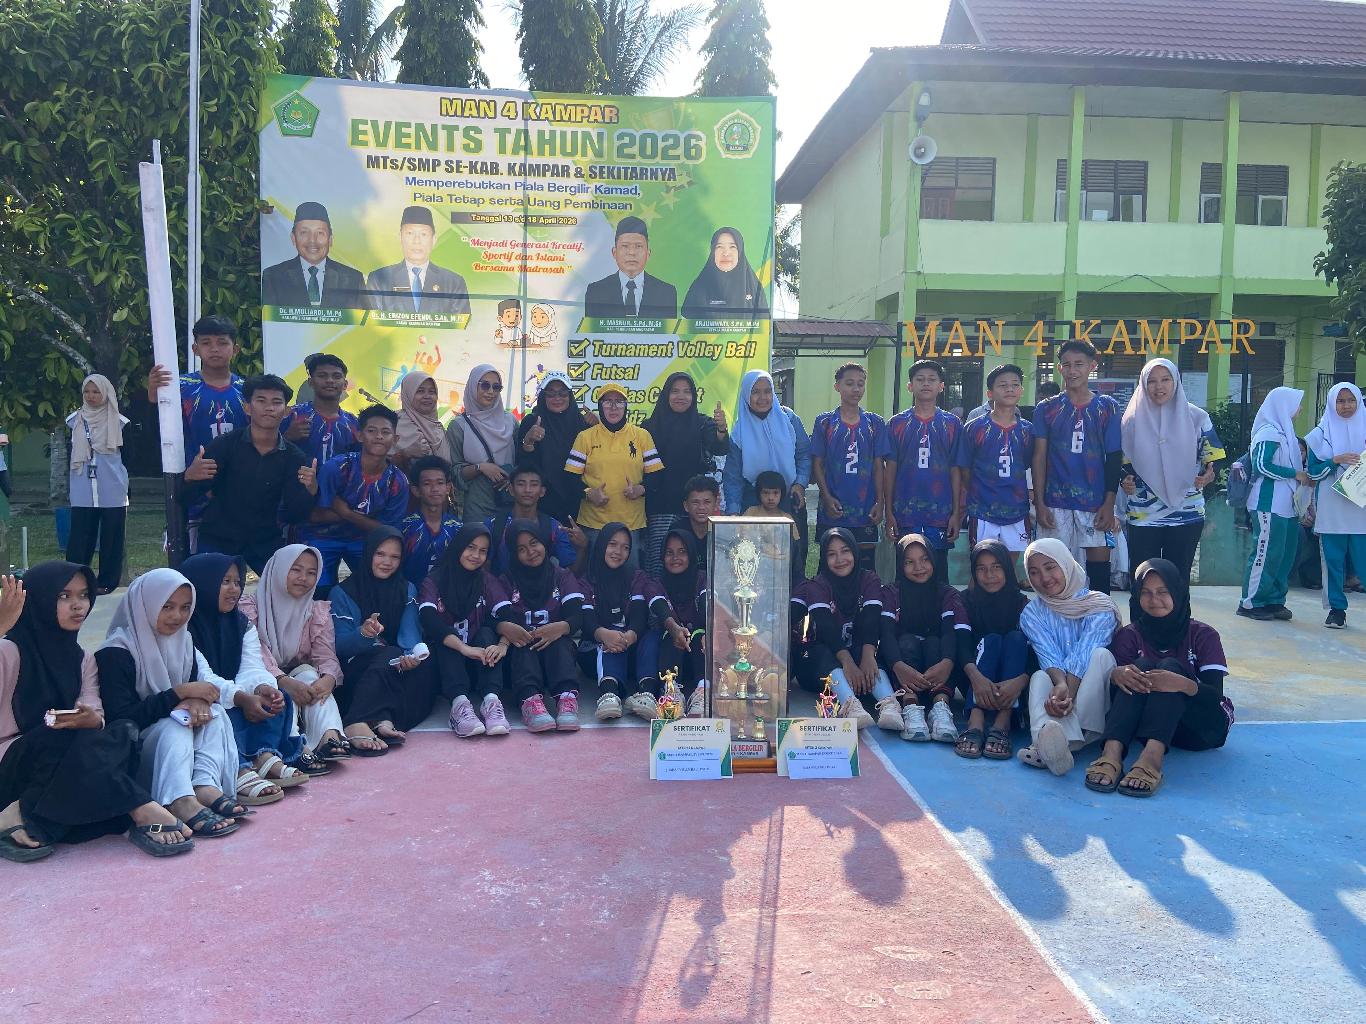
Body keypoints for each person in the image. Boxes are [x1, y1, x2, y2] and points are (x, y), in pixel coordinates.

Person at [0, 565, 194, 861]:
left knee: (122, 732)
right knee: (64, 739)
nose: (78, 605)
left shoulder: (82, 659)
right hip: (11, 761)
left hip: (62, 764)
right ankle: (140, 808)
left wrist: (91, 719)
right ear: (38, 599)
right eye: (64, 596)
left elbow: (95, 711)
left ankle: (20, 811)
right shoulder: (8, 650)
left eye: (84, 595)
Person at [96, 569, 243, 840]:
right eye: (167, 607)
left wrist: (196, 700)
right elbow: (120, 720)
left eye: (185, 607)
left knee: (215, 714)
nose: (177, 616)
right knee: (175, 726)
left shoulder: (183, 643)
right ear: (145, 605)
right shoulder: (115, 652)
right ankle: (178, 800)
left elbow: (192, 693)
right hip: (135, 757)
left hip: (176, 751)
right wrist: (179, 694)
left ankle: (203, 785)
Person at [1084, 558, 1233, 797]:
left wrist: (1183, 684)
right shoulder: (1130, 635)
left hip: (1199, 728)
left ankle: (1152, 760)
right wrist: (1116, 674)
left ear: (1177, 592)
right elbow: (1120, 698)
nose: (1154, 600)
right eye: (1146, 592)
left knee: (1171, 668)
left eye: (1163, 592)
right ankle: (1111, 753)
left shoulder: (1203, 635)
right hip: (1146, 726)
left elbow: (1214, 697)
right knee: (1138, 667)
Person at [181, 554, 313, 805]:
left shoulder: (240, 623)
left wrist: (262, 688)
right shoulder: (185, 628)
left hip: (233, 691)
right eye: (225, 582)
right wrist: (241, 698)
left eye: (237, 582)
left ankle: (263, 755)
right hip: (203, 697)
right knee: (221, 710)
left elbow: (251, 666)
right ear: (203, 584)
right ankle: (239, 767)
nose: (234, 589)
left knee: (277, 697)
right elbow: (203, 676)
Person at [184, 374, 320, 572]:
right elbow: (187, 497)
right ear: (247, 407)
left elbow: (295, 514)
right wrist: (189, 477)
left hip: (265, 542)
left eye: (276, 402)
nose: (269, 408)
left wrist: (311, 491)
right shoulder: (224, 445)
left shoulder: (294, 457)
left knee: (284, 584)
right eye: (261, 401)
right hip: (219, 537)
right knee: (210, 586)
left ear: (286, 411)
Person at [330, 527, 439, 753]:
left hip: (394, 665)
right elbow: (339, 647)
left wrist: (411, 659)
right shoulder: (342, 592)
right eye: (380, 554)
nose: (387, 562)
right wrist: (363, 634)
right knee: (388, 653)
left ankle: (383, 719)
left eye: (395, 556)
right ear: (368, 553)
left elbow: (409, 636)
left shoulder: (406, 589)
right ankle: (356, 721)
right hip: (357, 670)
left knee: (427, 668)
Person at [1018, 539, 1120, 775]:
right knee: (1040, 677)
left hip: (1092, 700)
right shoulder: (1032, 612)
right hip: (1061, 689)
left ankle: (1055, 743)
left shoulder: (1099, 604)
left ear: (1066, 564)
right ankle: (1049, 743)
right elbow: (1047, 653)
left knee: (1100, 656)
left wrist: (1068, 690)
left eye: (1050, 567)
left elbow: (1087, 648)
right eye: (1034, 572)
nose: (1044, 578)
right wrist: (1060, 685)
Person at [238, 545, 350, 761]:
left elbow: (326, 655)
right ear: (278, 570)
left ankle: (328, 735)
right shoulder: (249, 608)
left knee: (310, 674)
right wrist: (283, 680)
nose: (303, 578)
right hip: (259, 678)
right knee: (276, 686)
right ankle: (293, 743)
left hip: (300, 679)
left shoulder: (316, 610)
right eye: (295, 570)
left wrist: (328, 679)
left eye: (311, 573)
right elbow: (256, 655)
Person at [1119, 358, 1224, 581]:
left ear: (1176, 381)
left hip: (1186, 511)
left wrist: (1209, 476)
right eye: (1152, 381)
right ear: (1143, 384)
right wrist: (1125, 481)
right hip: (1144, 513)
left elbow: (1214, 459)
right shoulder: (1131, 421)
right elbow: (1123, 465)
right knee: (1142, 577)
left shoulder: (1197, 417)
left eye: (1165, 379)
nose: (1159, 387)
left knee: (1178, 578)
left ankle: (1178, 608)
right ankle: (1141, 607)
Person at [1032, 340, 1123, 594]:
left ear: (1092, 366)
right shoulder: (1046, 408)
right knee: (1053, 570)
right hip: (1055, 502)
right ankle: (1056, 618)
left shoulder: (1107, 407)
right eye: (1067, 365)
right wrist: (1040, 503)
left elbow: (1114, 456)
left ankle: (1101, 618)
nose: (1072, 371)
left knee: (1099, 573)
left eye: (1079, 364)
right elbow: (1039, 457)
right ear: (1059, 368)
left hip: (1095, 503)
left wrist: (1109, 503)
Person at [792, 528, 898, 732]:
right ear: (824, 558)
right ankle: (850, 705)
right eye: (831, 554)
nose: (840, 559)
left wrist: (868, 656)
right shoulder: (816, 585)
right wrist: (848, 663)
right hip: (818, 666)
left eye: (845, 551)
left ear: (855, 553)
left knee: (867, 652)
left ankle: (889, 704)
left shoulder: (869, 579)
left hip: (858, 664)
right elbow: (826, 628)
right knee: (821, 651)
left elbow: (872, 620)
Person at [299, 404, 410, 591]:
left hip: (364, 541)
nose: (379, 436)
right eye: (372, 431)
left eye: (385, 432)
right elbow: (315, 516)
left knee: (379, 586)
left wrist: (347, 513)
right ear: (359, 435)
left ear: (395, 439)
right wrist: (368, 518)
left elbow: (389, 531)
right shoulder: (336, 468)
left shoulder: (398, 481)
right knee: (317, 589)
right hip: (321, 537)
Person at [494, 519, 587, 733]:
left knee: (561, 643)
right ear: (513, 553)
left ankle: (566, 699)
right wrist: (504, 627)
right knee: (522, 646)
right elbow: (495, 617)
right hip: (522, 652)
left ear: (544, 542)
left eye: (534, 543)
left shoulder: (561, 576)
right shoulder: (506, 580)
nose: (531, 552)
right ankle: (530, 702)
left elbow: (576, 616)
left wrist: (561, 627)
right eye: (521, 549)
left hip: (555, 649)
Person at [418, 525, 512, 738]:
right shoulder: (435, 579)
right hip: (446, 666)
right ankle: (459, 706)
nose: (476, 555)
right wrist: (464, 648)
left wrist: (502, 645)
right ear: (458, 546)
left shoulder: (485, 579)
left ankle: (491, 702)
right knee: (446, 636)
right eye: (470, 547)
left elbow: (507, 614)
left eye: (483, 551)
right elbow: (429, 619)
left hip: (480, 661)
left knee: (486, 633)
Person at [879, 534, 973, 743]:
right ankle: (910, 705)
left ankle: (940, 707)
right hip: (903, 665)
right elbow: (886, 633)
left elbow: (949, 632)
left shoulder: (947, 594)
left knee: (934, 642)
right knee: (906, 641)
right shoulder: (892, 593)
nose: (919, 567)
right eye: (909, 562)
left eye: (924, 559)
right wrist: (898, 666)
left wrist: (947, 663)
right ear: (900, 565)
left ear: (934, 559)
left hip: (937, 667)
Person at [640, 372, 729, 577]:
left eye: (687, 392)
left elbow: (719, 447)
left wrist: (722, 429)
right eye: (675, 391)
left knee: (693, 566)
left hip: (694, 509)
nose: (681, 396)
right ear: (666, 395)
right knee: (659, 566)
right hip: (660, 509)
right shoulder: (649, 427)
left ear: (694, 396)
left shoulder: (703, 424)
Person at [565, 385, 663, 561]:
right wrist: (589, 493)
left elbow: (656, 476)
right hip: (593, 525)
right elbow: (569, 479)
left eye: (618, 402)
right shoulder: (585, 437)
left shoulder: (642, 436)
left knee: (630, 576)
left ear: (626, 406)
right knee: (594, 574)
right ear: (600, 406)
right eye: (607, 401)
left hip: (630, 526)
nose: (613, 407)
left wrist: (640, 489)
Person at [886, 359, 963, 581]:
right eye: (920, 379)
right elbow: (890, 469)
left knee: (938, 574)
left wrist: (956, 513)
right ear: (910, 386)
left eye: (932, 379)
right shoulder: (897, 423)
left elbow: (956, 470)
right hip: (905, 514)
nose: (926, 384)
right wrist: (889, 512)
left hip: (940, 514)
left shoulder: (952, 424)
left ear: (941, 386)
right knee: (906, 570)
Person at [580, 525, 666, 722]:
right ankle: (609, 694)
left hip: (629, 647)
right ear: (601, 544)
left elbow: (639, 615)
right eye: (613, 544)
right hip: (595, 650)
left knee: (652, 636)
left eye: (625, 547)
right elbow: (586, 621)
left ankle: (647, 694)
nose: (618, 552)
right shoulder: (587, 580)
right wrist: (603, 634)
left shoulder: (636, 576)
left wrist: (631, 635)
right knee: (610, 637)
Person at [1239, 387, 1311, 621]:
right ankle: (1251, 602)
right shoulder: (1268, 432)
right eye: (1297, 404)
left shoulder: (1285, 433)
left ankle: (1274, 600)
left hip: (1287, 506)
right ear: (1283, 405)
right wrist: (1295, 474)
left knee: (1285, 555)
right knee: (1266, 553)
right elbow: (1261, 465)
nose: (1300, 408)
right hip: (1267, 504)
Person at [723, 369, 811, 559]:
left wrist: (800, 484)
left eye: (767, 391)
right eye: (755, 392)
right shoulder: (740, 430)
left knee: (793, 554)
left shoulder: (789, 419)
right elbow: (733, 476)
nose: (762, 397)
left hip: (789, 498)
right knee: (756, 556)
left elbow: (804, 454)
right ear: (746, 395)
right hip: (753, 500)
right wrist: (733, 512)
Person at [955, 540, 1031, 760]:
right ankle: (976, 719)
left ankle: (1003, 721)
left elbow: (1036, 652)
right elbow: (961, 645)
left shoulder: (1022, 603)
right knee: (991, 640)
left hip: (1012, 684)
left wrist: (1020, 682)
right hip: (974, 678)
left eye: (996, 567)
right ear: (974, 572)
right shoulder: (964, 601)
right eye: (981, 568)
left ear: (1007, 568)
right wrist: (977, 679)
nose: (989, 575)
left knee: (1016, 638)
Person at [811, 363, 890, 573]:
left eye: (860, 384)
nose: (856, 389)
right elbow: (817, 463)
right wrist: (826, 497)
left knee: (865, 569)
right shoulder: (825, 422)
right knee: (831, 566)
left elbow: (878, 466)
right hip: (833, 509)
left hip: (865, 510)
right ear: (837, 386)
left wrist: (880, 502)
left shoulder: (875, 423)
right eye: (849, 384)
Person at [955, 364, 1035, 561]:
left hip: (1017, 509)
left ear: (1021, 390)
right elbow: (964, 468)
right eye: (1003, 385)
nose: (1009, 389)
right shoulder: (974, 428)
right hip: (982, 510)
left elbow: (1027, 464)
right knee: (983, 564)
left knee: (1009, 566)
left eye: (1015, 385)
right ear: (990, 393)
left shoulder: (1028, 430)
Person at [1305, 382, 1366, 628]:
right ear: (1332, 403)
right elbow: (1313, 472)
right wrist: (1335, 460)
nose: (1346, 406)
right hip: (1332, 509)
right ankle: (1336, 610)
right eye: (1340, 401)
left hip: (1362, 509)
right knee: (1332, 562)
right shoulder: (1319, 435)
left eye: (1351, 400)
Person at [65, 374, 130, 595]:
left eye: (96, 392)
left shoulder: (120, 422)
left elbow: (128, 458)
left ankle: (106, 582)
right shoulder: (74, 420)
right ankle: (75, 579)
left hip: (112, 487)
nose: (91, 396)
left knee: (112, 537)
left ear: (106, 393)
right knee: (80, 535)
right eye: (87, 391)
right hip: (82, 486)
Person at [146, 314, 246, 455]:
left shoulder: (247, 390)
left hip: (240, 467)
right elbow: (158, 434)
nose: (214, 349)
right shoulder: (178, 386)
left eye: (222, 343)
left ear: (235, 349)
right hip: (192, 467)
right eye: (206, 343)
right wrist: (154, 397)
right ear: (195, 349)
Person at [516, 371, 595, 523]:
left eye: (563, 393)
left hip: (579, 502)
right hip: (542, 503)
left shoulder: (582, 422)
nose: (557, 398)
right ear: (543, 397)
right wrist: (528, 442)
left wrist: (598, 426)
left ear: (570, 396)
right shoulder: (532, 422)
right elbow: (523, 466)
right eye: (551, 394)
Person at [366, 206, 471, 314]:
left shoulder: (453, 283)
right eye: (410, 233)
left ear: (433, 240)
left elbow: (461, 323)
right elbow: (372, 321)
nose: (417, 241)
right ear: (400, 237)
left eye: (423, 234)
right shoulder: (379, 280)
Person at [261, 201, 365, 308]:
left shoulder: (353, 279)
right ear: (293, 238)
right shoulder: (274, 276)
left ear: (330, 239)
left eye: (320, 233)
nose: (312, 240)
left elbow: (364, 318)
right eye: (304, 232)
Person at [449, 364, 517, 523]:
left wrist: (513, 476)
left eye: (496, 387)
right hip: (477, 506)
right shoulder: (459, 426)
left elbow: (523, 462)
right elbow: (454, 472)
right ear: (473, 386)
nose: (491, 391)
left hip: (509, 503)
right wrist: (481, 468)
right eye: (485, 385)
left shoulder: (510, 422)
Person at [486, 465, 583, 575]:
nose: (527, 490)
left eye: (534, 485)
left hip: (542, 585)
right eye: (521, 484)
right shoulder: (494, 525)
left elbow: (571, 573)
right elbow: (484, 572)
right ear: (511, 490)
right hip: (500, 585)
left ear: (542, 491)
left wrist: (582, 547)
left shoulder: (554, 527)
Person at [656, 528, 709, 717]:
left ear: (691, 554)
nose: (675, 558)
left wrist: (709, 631)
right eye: (669, 553)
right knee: (670, 634)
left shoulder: (702, 577)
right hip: (671, 654)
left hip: (699, 652)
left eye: (682, 552)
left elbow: (707, 605)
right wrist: (675, 629)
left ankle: (703, 692)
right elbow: (660, 607)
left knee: (699, 633)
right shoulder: (657, 582)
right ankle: (672, 692)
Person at [583, 216, 678, 319]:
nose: (632, 252)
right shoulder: (596, 292)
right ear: (614, 252)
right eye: (625, 246)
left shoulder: (667, 292)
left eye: (638, 246)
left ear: (648, 253)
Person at [280, 353, 361, 465]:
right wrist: (287, 437)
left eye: (336, 376)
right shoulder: (291, 415)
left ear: (345, 384)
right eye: (322, 376)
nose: (330, 380)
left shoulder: (354, 423)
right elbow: (265, 454)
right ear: (310, 382)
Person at [680, 226, 769, 320]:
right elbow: (685, 324)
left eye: (732, 247)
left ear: (740, 252)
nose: (726, 253)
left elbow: (764, 325)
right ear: (713, 252)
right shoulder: (698, 288)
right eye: (719, 247)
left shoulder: (754, 289)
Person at [400, 455, 462, 585]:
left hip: (447, 594)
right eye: (427, 484)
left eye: (440, 483)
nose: (435, 489)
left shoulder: (458, 528)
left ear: (448, 488)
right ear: (416, 490)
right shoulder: (404, 527)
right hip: (409, 593)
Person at [393, 370, 447, 473]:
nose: (427, 396)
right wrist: (405, 454)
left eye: (432, 392)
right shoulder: (394, 423)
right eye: (420, 391)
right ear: (408, 393)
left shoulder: (438, 428)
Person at [667, 475, 721, 578]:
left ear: (716, 504)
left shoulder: (722, 532)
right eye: (695, 502)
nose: (701, 507)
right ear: (686, 506)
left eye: (707, 502)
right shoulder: (677, 531)